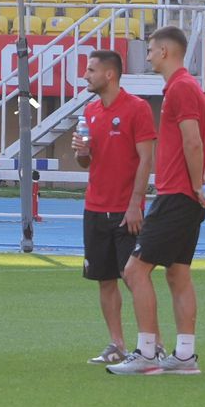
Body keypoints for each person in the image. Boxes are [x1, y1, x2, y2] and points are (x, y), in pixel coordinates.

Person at [108, 25, 205, 376]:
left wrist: (196, 186)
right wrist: (203, 188)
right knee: (178, 275)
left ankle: (147, 353)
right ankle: (184, 356)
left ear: (165, 52)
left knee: (134, 271)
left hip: (176, 197)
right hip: (186, 197)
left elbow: (195, 143)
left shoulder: (181, 89)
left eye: (151, 49)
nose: (148, 54)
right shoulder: (190, 88)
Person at [72, 49, 158, 365]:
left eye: (91, 70)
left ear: (109, 74)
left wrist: (135, 204)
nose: (86, 75)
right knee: (104, 278)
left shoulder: (137, 109)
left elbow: (146, 159)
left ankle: (153, 343)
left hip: (126, 209)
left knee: (135, 277)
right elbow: (85, 162)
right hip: (94, 207)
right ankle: (117, 344)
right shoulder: (90, 112)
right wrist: (81, 152)